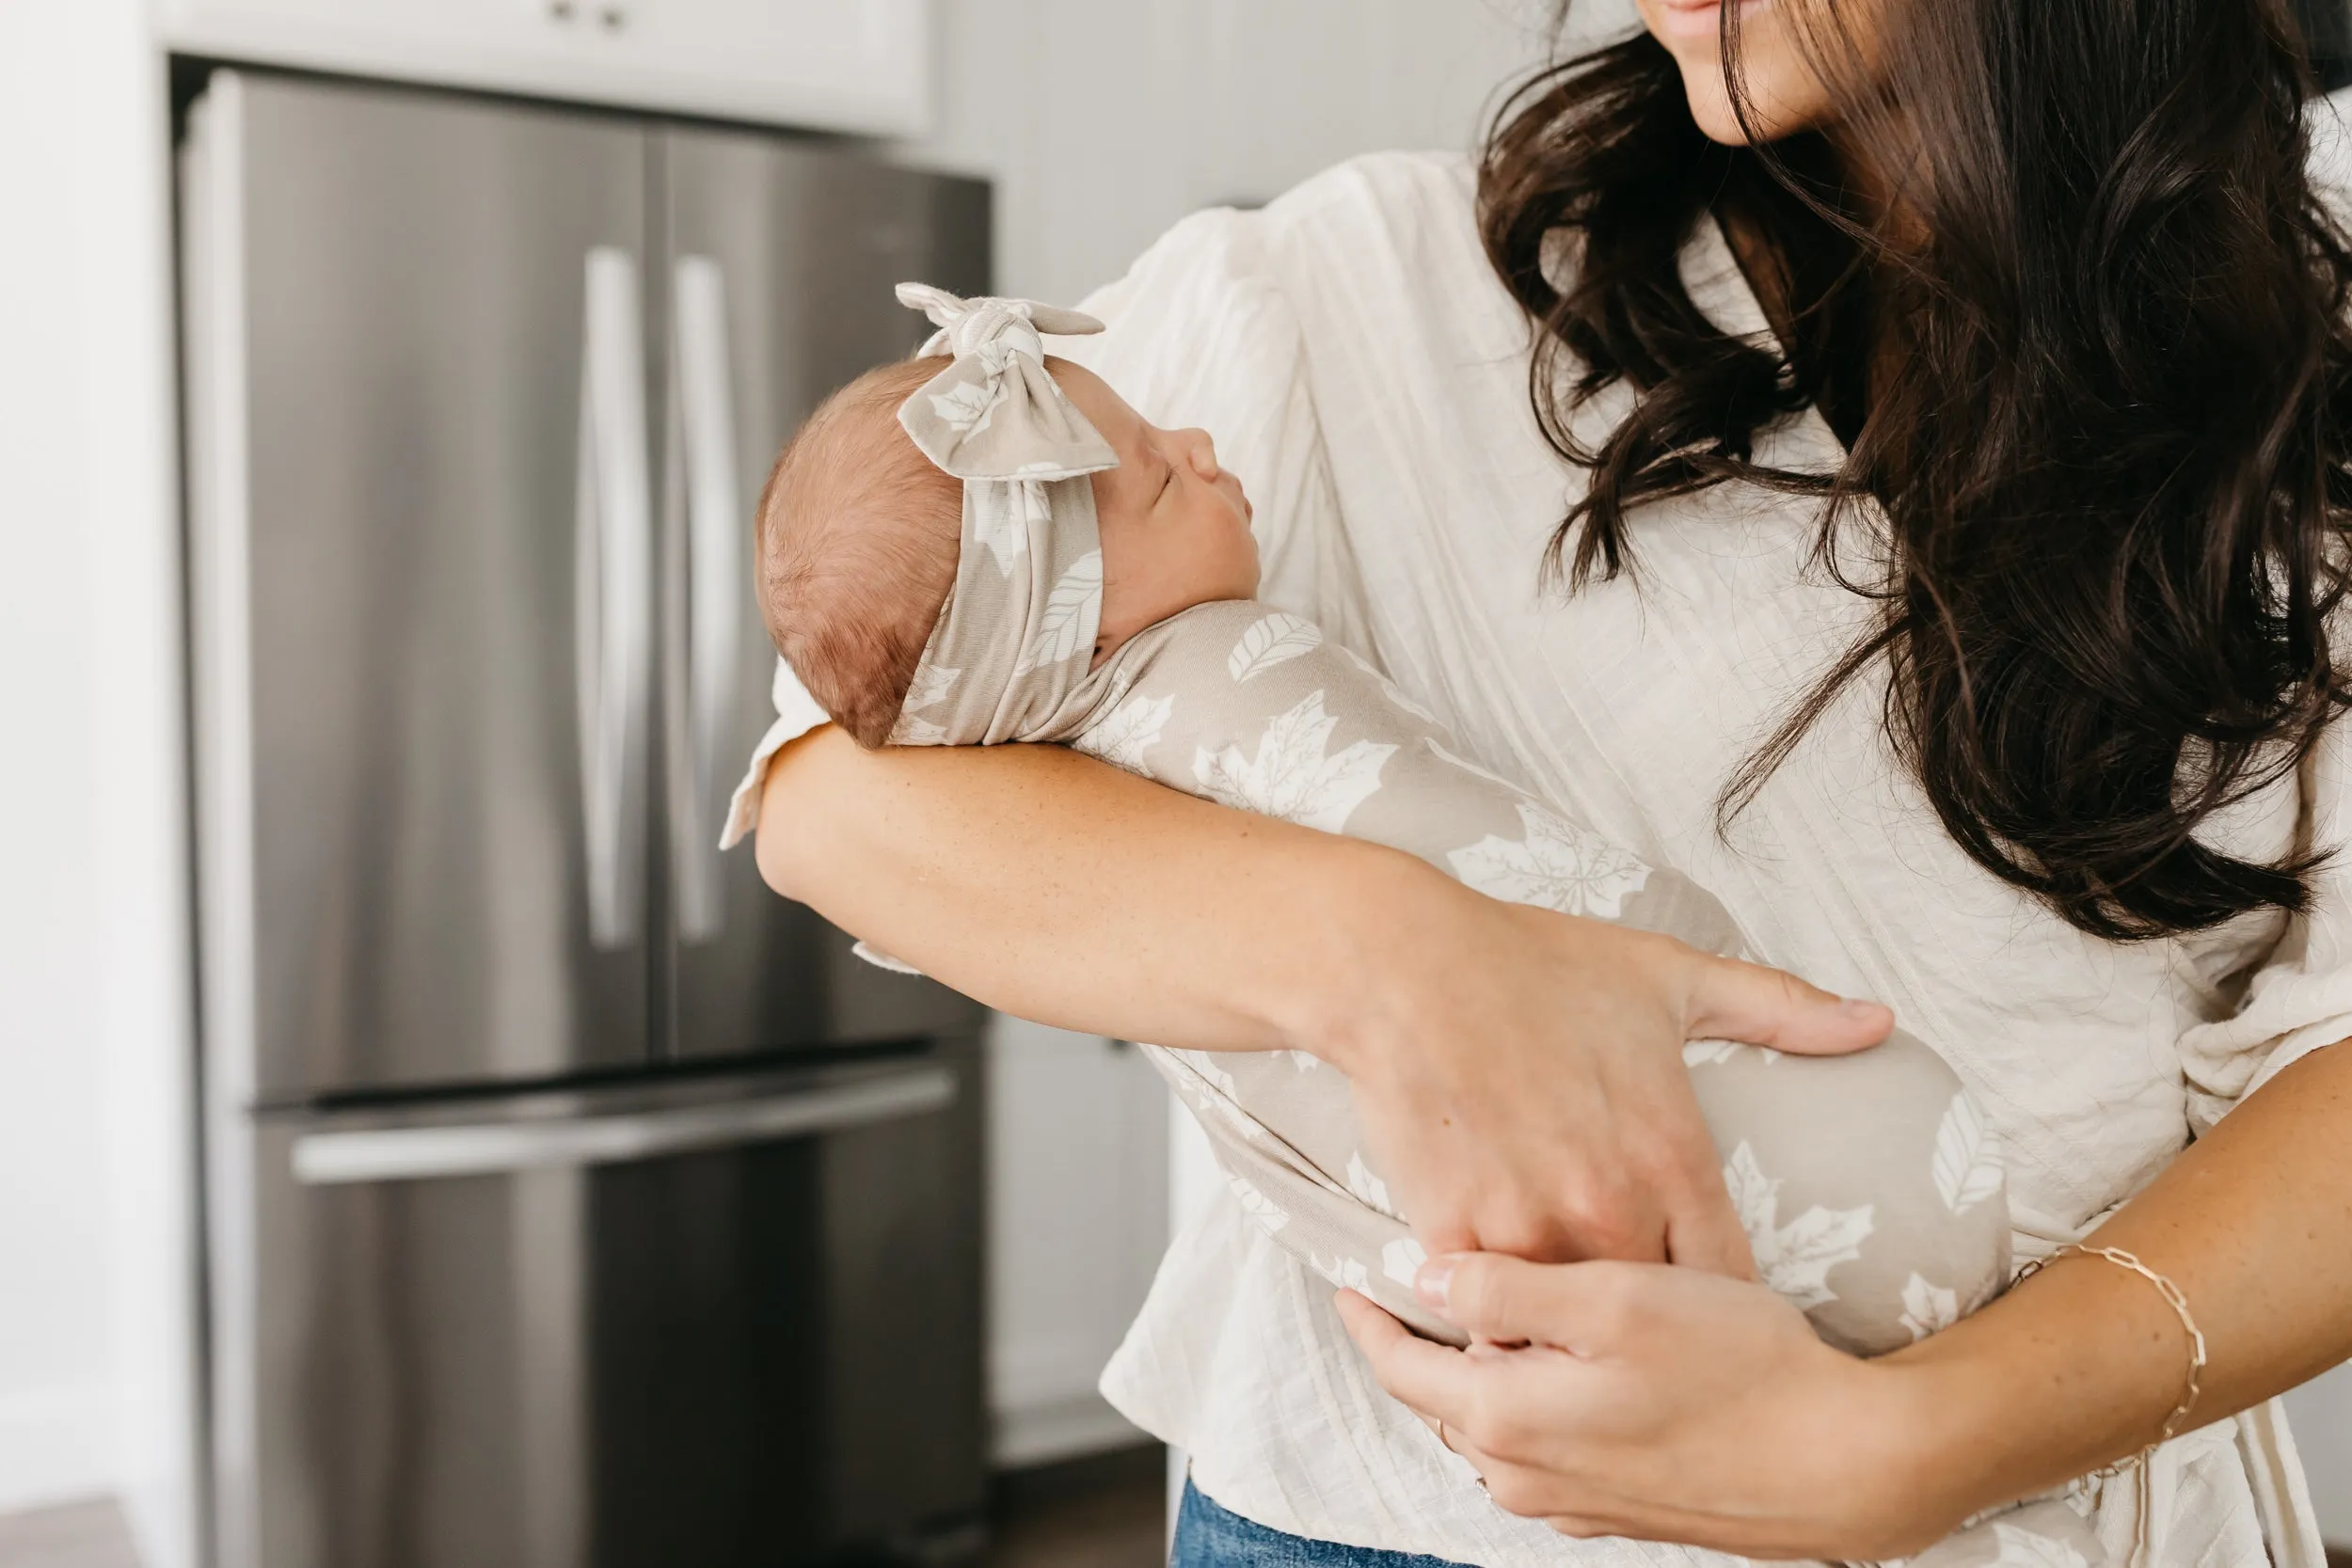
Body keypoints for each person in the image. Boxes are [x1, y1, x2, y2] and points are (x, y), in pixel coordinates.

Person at [732, 0, 2352, 1561]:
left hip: (2073, 1499)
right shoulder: (1352, 290)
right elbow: (831, 783)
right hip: (1418, 1528)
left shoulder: (2304, 399)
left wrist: (1913, 1444)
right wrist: (1394, 951)